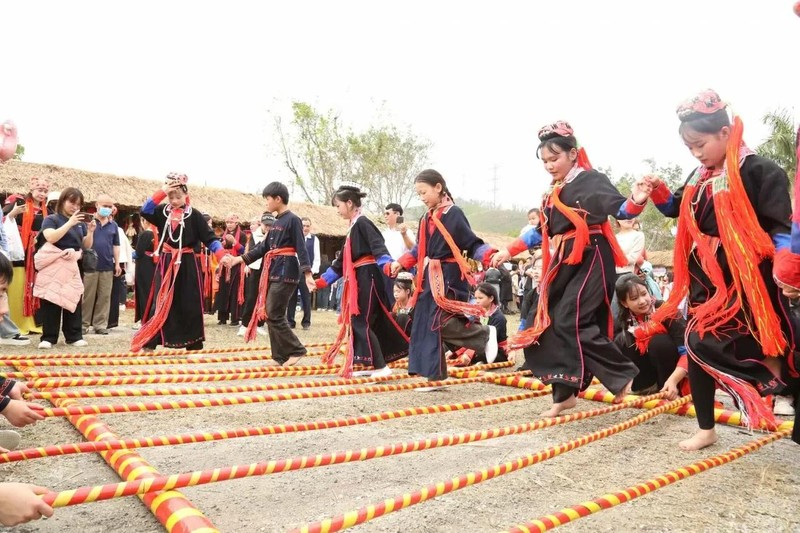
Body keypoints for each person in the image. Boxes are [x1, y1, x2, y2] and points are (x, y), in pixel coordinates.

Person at [640, 90, 796, 450]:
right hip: (704, 277)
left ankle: (773, 380)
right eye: (690, 147)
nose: (696, 153)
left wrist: (789, 268)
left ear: (725, 133)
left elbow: (783, 228)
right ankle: (706, 427)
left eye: (700, 144)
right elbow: (674, 209)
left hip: (748, 281)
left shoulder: (759, 170)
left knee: (709, 341)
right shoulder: (699, 175)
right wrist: (658, 191)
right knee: (694, 344)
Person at [492, 121, 651, 416]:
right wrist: (507, 250)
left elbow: (621, 209)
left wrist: (637, 200)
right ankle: (564, 394)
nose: (550, 166)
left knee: (571, 319)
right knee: (552, 322)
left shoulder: (591, 180)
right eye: (545, 161)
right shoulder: (551, 194)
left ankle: (622, 374)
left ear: (573, 154)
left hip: (591, 253)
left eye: (555, 159)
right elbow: (538, 230)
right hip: (564, 259)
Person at [391, 169, 498, 381]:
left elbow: (470, 241)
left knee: (440, 321)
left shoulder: (453, 213)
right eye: (419, 194)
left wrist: (489, 256)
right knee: (422, 322)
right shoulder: (425, 218)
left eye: (424, 192)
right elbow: (419, 250)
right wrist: (400, 263)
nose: (422, 198)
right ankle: (434, 375)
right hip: (427, 279)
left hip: (448, 277)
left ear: (438, 187)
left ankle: (485, 334)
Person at [314, 184, 409, 377]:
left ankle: (381, 367)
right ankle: (369, 364)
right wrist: (320, 283)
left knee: (360, 320)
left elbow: (378, 247)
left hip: (369, 277)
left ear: (350, 203)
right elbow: (340, 263)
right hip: (360, 278)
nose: (337, 210)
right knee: (367, 321)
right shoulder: (353, 227)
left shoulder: (363, 223)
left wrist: (388, 264)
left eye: (338, 205)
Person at [223, 182, 313, 366]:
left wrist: (308, 274)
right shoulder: (276, 221)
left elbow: (301, 248)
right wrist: (237, 260)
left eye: (268, 199)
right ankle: (280, 356)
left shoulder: (293, 220)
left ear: (278, 199)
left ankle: (296, 349)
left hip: (287, 270)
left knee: (273, 313)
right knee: (272, 313)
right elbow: (262, 248)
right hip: (274, 269)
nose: (266, 202)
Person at [132, 173, 224, 352]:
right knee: (161, 300)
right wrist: (162, 191)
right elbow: (145, 210)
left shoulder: (195, 215)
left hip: (187, 263)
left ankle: (193, 344)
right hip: (167, 262)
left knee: (190, 301)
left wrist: (222, 256)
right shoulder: (161, 212)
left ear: (186, 195)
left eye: (178, 197)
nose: (174, 200)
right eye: (171, 197)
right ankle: (150, 342)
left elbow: (210, 238)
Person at [36, 188, 94, 349]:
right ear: (63, 201)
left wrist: (90, 232)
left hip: (73, 264)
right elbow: (50, 237)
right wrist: (70, 223)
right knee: (51, 299)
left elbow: (85, 245)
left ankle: (74, 335)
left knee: (73, 298)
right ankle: (48, 336)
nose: (75, 207)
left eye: (78, 204)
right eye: (72, 202)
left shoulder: (80, 224)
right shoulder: (51, 219)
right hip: (54, 263)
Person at [614, 273, 687, 400]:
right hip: (649, 375)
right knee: (622, 340)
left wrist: (674, 380)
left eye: (644, 294)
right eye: (634, 298)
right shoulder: (624, 320)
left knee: (659, 342)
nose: (642, 301)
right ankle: (645, 387)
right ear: (624, 303)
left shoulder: (667, 310)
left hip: (678, 372)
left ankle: (669, 388)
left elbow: (687, 352)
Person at [1, 176, 50, 334]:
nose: (41, 193)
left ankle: (35, 322)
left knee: (36, 288)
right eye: (39, 190)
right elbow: (3, 221)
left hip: (38, 254)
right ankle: (16, 323)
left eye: (45, 191)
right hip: (20, 255)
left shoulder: (48, 212)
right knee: (18, 288)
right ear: (31, 190)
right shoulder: (19, 203)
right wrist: (13, 214)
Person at [81, 194, 120, 335]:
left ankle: (100, 324)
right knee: (87, 296)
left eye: (110, 206)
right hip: (90, 264)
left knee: (104, 296)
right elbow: (83, 242)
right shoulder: (88, 222)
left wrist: (117, 263)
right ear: (97, 205)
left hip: (108, 264)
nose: (107, 209)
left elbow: (116, 245)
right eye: (105, 206)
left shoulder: (113, 225)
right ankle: (83, 324)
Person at [447, 282, 508, 366]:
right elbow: (471, 334)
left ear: (491, 298)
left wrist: (467, 353)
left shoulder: (499, 318)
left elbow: (487, 341)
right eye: (476, 298)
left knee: (483, 353)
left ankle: (473, 359)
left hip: (491, 347)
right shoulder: (477, 313)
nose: (477, 301)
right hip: (477, 343)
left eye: (480, 298)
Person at [238, 213, 274, 337]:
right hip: (255, 269)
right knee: (251, 297)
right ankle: (245, 324)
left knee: (265, 298)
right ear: (261, 224)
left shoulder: (276, 235)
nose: (268, 228)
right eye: (266, 225)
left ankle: (259, 324)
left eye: (270, 225)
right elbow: (254, 251)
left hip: (269, 270)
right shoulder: (254, 235)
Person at [287, 217, 320, 330]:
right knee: (291, 297)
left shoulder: (314, 239)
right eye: (303, 225)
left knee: (306, 298)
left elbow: (317, 258)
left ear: (310, 227)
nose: (305, 228)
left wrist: (312, 272)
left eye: (307, 226)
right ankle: (290, 321)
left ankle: (306, 322)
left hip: (306, 272)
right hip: (293, 271)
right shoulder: (293, 238)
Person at [216, 214, 247, 326]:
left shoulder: (242, 235)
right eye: (227, 222)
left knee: (234, 291)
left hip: (235, 265)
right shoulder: (223, 235)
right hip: (224, 265)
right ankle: (222, 318)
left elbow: (244, 251)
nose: (229, 224)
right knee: (223, 290)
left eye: (231, 222)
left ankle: (235, 318)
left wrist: (234, 242)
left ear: (236, 223)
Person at [107, 206, 133, 329]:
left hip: (118, 261)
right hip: (104, 261)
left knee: (117, 288)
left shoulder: (119, 230)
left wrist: (126, 262)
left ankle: (112, 320)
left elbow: (124, 247)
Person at [132, 217, 157, 330]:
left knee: (144, 292)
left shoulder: (145, 234)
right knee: (153, 292)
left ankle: (145, 319)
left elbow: (139, 252)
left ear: (144, 221)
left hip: (144, 265)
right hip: (154, 265)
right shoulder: (158, 233)